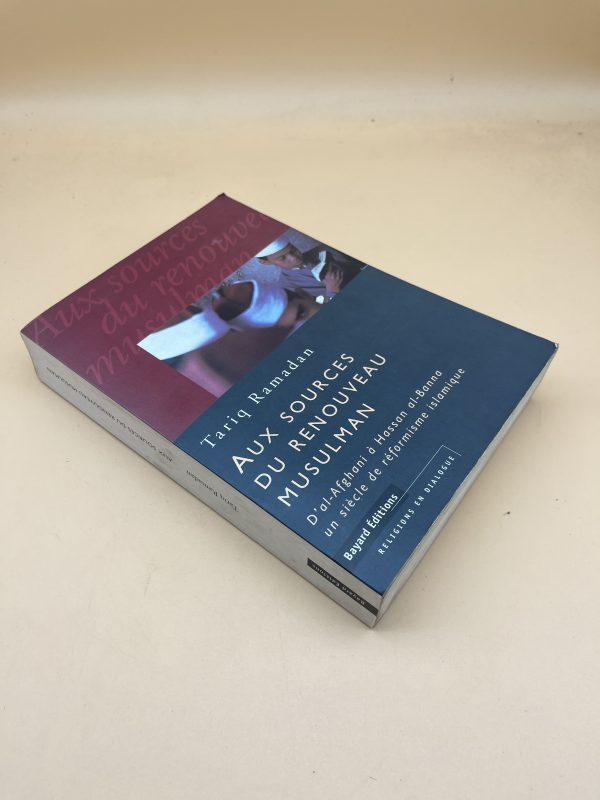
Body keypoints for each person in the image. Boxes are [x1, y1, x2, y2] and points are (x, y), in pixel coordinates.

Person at [255, 236, 363, 301]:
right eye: (282, 258)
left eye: (293, 250)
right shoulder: (288, 287)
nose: (293, 257)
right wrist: (332, 290)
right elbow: (322, 315)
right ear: (265, 262)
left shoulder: (323, 250)